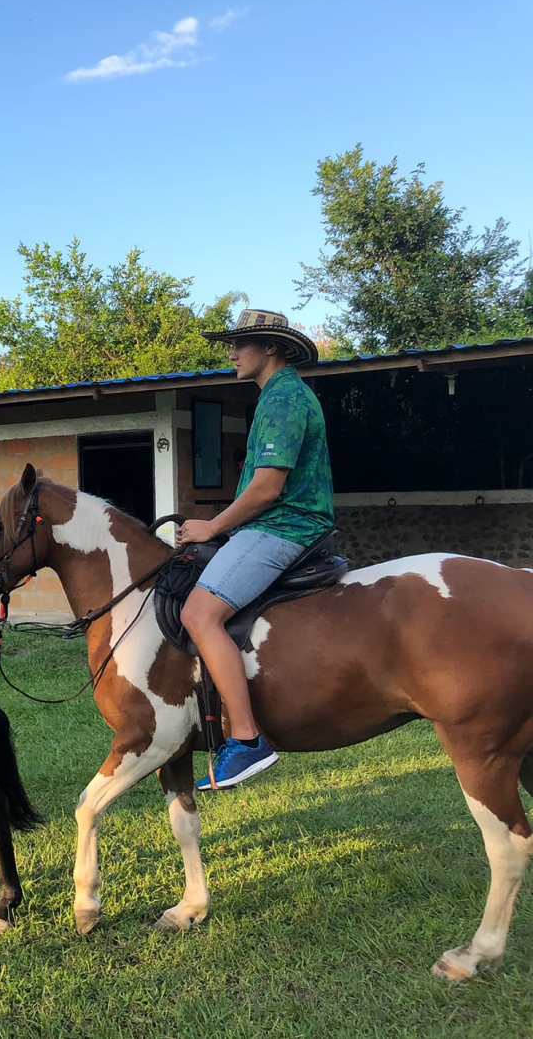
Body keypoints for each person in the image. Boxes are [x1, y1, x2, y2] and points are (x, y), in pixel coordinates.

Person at [178, 310, 334, 789]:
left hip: (285, 525)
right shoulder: (277, 397)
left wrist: (212, 527)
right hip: (277, 523)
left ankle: (246, 741)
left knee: (198, 616)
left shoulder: (284, 399)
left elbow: (267, 488)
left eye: (240, 345)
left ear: (271, 347)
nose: (231, 353)